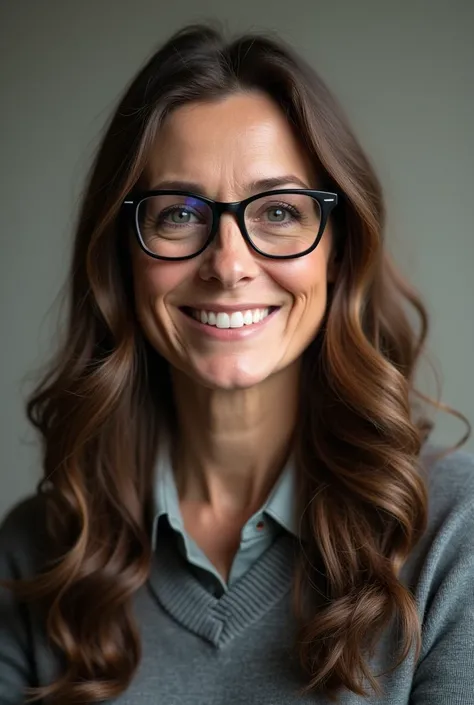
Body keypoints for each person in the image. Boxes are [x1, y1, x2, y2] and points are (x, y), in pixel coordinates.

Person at [0, 22, 473, 705]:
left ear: (337, 253)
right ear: (121, 258)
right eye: (178, 215)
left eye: (279, 210)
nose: (228, 264)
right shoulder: (38, 551)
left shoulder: (453, 532)